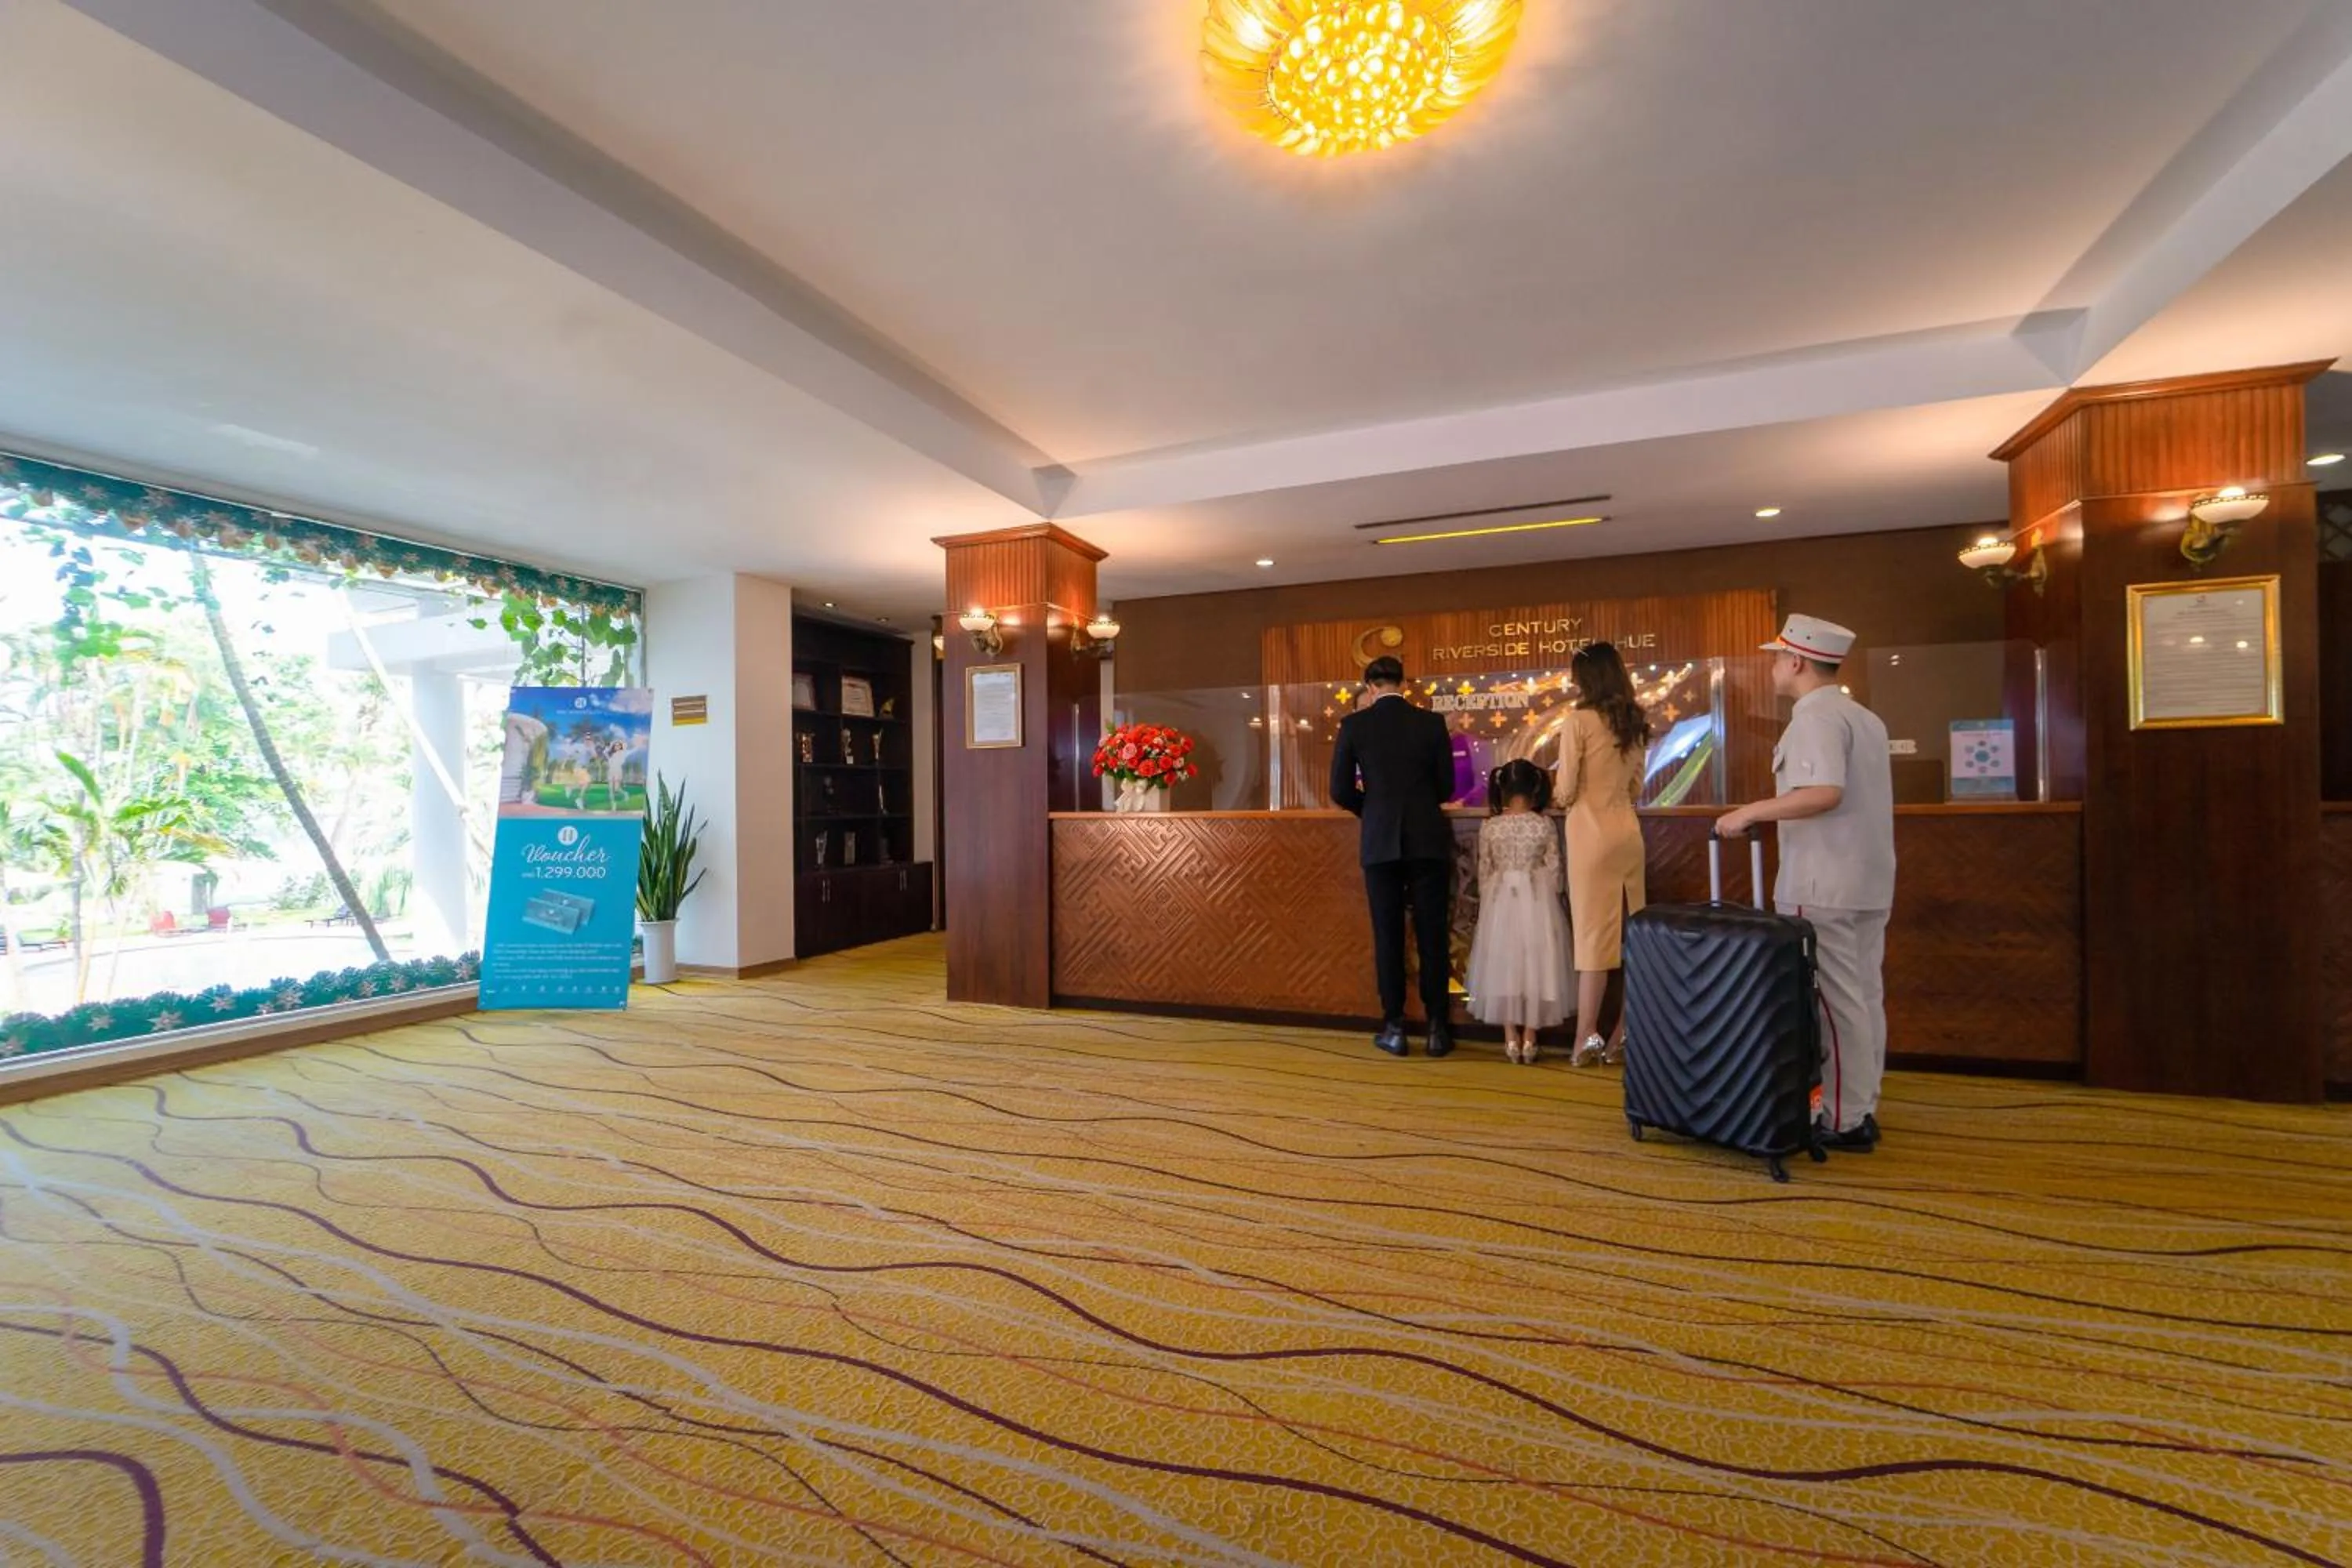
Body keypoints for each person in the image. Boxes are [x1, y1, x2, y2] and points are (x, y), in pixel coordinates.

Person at [1715, 614, 1896, 1152]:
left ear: (1796, 661)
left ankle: (1843, 1119)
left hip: (1823, 881)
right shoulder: (1863, 717)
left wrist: (1749, 812)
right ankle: (1861, 1103)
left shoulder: (1813, 719)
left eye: (1777, 658)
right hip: (1864, 878)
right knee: (1864, 997)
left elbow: (1822, 792)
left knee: (1836, 1006)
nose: (1772, 667)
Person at [1330, 655, 1457, 1058]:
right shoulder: (1431, 723)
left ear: (1369, 686)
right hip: (1427, 839)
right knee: (1432, 934)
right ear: (1404, 683)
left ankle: (1395, 1027)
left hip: (1380, 841)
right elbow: (1446, 786)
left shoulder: (1354, 725)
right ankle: (1438, 1029)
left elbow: (1340, 789)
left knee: (1388, 935)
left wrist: (1373, 809)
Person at [1559, 641, 1653, 1067]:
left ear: (1586, 678)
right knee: (1634, 936)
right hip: (1627, 833)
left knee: (1594, 938)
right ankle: (1623, 1032)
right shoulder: (1634, 721)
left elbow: (1564, 789)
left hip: (1589, 833)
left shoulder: (1577, 721)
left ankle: (1585, 1038)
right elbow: (1636, 787)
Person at [1465, 759, 1572, 1062]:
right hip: (1538, 901)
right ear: (1536, 787)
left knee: (1504, 964)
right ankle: (1530, 1037)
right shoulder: (1544, 824)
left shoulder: (1490, 827)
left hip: (1500, 902)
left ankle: (1510, 1036)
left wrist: (1490, 901)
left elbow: (1484, 871)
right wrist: (1553, 899)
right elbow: (1555, 873)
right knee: (1537, 964)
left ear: (1501, 788)